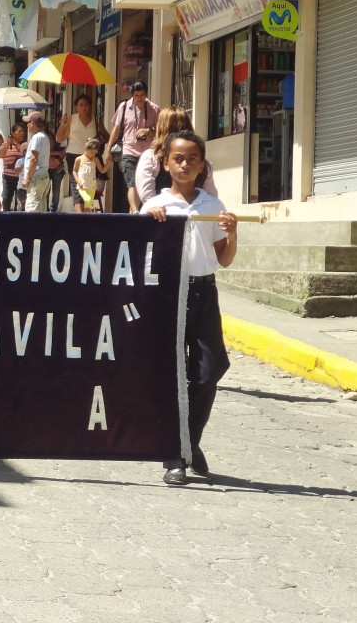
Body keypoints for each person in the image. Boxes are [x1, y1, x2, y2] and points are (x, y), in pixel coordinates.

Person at [142, 130, 238, 486]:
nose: (184, 164)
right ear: (166, 163)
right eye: (178, 158)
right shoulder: (155, 206)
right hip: (168, 296)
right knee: (171, 376)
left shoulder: (212, 207)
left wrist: (232, 234)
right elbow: (141, 258)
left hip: (203, 294)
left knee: (209, 370)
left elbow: (223, 260)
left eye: (192, 159)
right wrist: (150, 227)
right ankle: (176, 456)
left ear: (202, 166)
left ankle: (189, 441)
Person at [136, 105, 217, 206]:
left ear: (161, 126)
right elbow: (212, 196)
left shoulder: (151, 157)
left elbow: (146, 195)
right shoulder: (203, 163)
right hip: (189, 214)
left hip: (162, 217)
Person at [106, 81, 160, 213]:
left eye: (142, 95)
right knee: (132, 183)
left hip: (147, 153)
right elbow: (116, 129)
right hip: (128, 151)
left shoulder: (154, 109)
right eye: (136, 96)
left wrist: (148, 131)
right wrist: (108, 149)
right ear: (132, 95)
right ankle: (136, 211)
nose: (140, 98)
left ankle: (133, 213)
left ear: (146, 94)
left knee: (143, 184)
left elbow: (159, 133)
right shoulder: (124, 107)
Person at [58, 94, 110, 213]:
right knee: (77, 187)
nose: (84, 108)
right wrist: (62, 124)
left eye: (86, 105)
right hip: (74, 156)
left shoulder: (96, 120)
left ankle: (87, 213)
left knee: (89, 186)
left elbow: (106, 137)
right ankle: (79, 215)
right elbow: (59, 138)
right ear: (76, 107)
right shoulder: (71, 119)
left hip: (90, 157)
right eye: (81, 105)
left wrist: (98, 141)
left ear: (91, 106)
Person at [19, 112, 51, 213]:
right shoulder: (44, 136)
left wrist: (27, 178)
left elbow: (34, 159)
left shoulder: (37, 137)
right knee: (40, 210)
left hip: (36, 178)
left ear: (33, 123)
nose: (27, 125)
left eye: (28, 122)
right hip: (43, 176)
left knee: (32, 210)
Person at [72, 138, 109, 212]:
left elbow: (102, 170)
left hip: (91, 185)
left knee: (88, 203)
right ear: (86, 149)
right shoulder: (79, 159)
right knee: (87, 199)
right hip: (82, 184)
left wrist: (108, 164)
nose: (92, 154)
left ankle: (88, 212)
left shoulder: (95, 159)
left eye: (94, 153)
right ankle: (90, 208)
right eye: (91, 152)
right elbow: (74, 171)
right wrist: (78, 181)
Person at [0, 122, 27, 211]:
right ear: (13, 133)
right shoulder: (6, 144)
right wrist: (7, 145)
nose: (22, 133)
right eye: (19, 131)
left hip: (21, 178)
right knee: (6, 199)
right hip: (8, 177)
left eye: (23, 132)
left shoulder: (26, 145)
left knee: (21, 201)